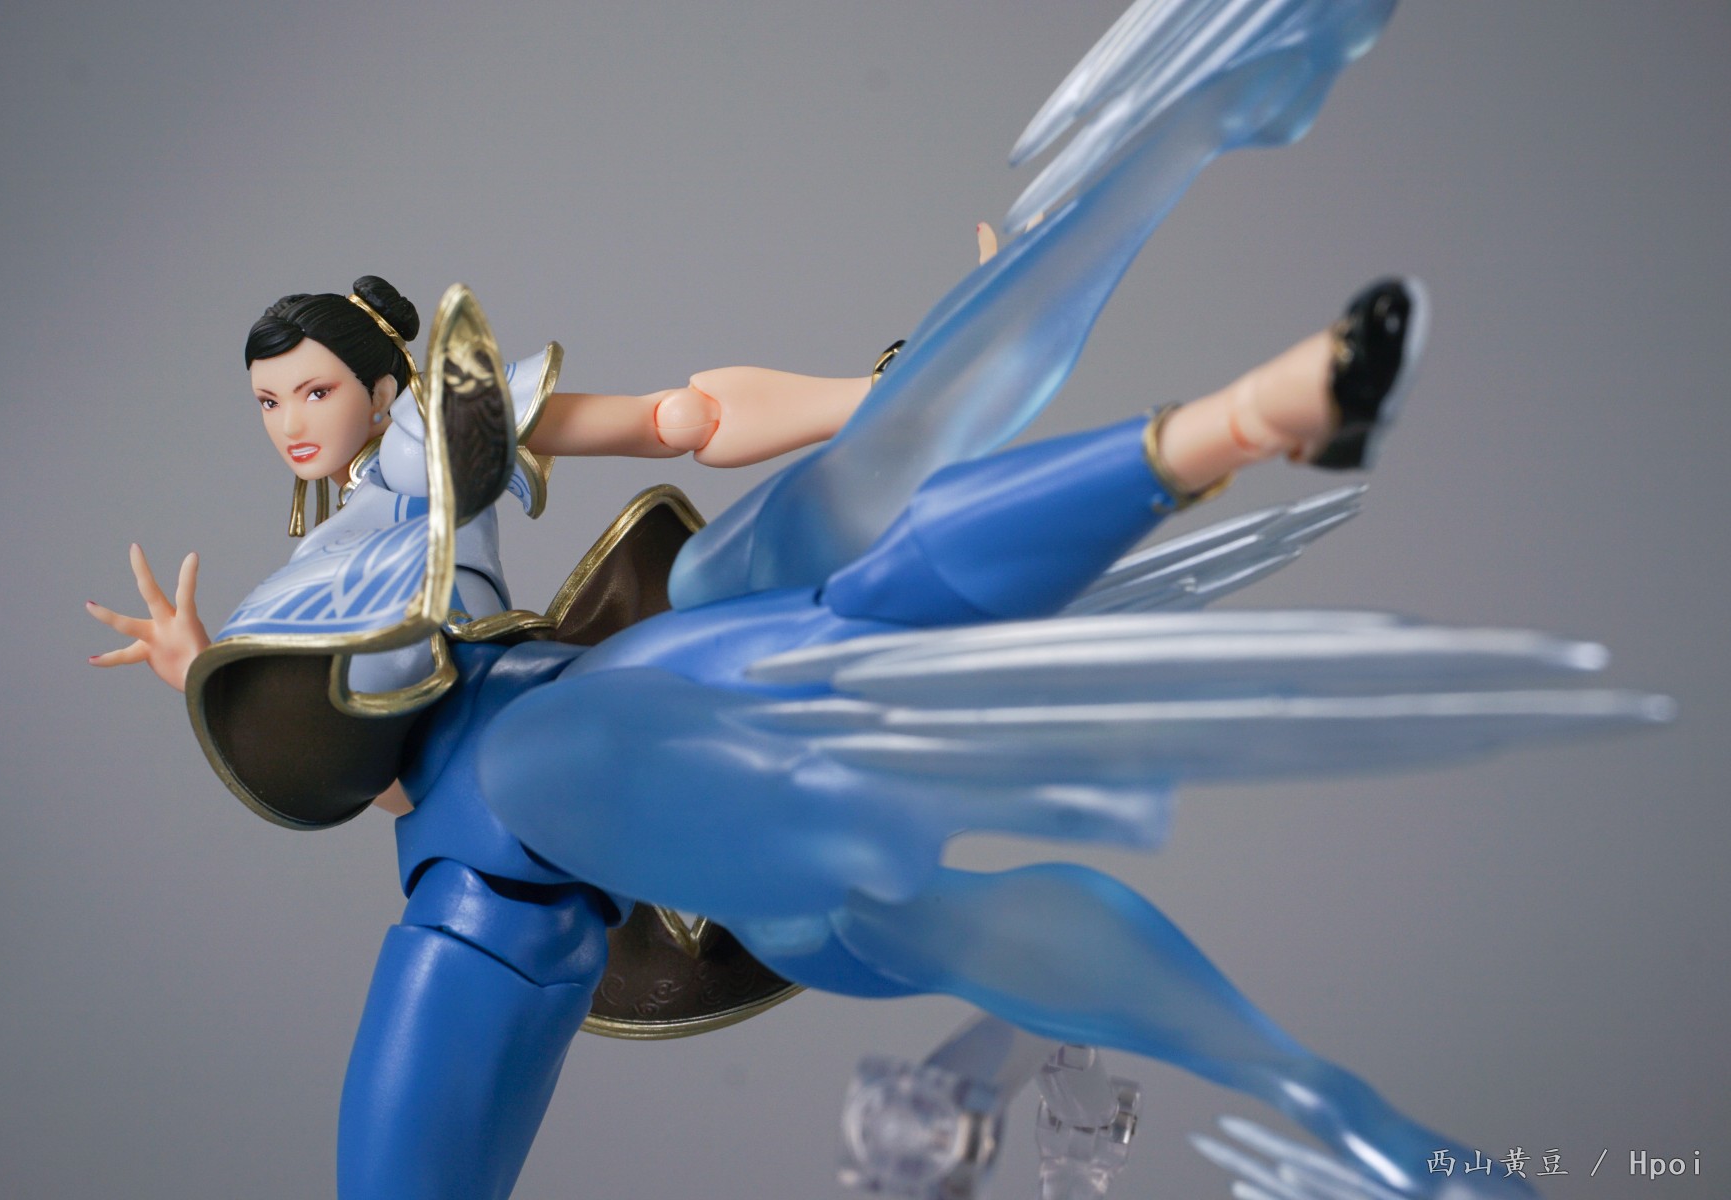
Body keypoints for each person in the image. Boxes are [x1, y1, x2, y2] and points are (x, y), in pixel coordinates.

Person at [90, 267, 1426, 1199]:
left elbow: (685, 419)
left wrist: (878, 394)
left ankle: (1233, 426)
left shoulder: (441, 438)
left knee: (781, 584)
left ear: (382, 384)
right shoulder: (310, 583)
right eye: (267, 402)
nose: (290, 424)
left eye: (313, 391)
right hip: (478, 889)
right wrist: (202, 671)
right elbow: (365, 779)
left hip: (542, 739)